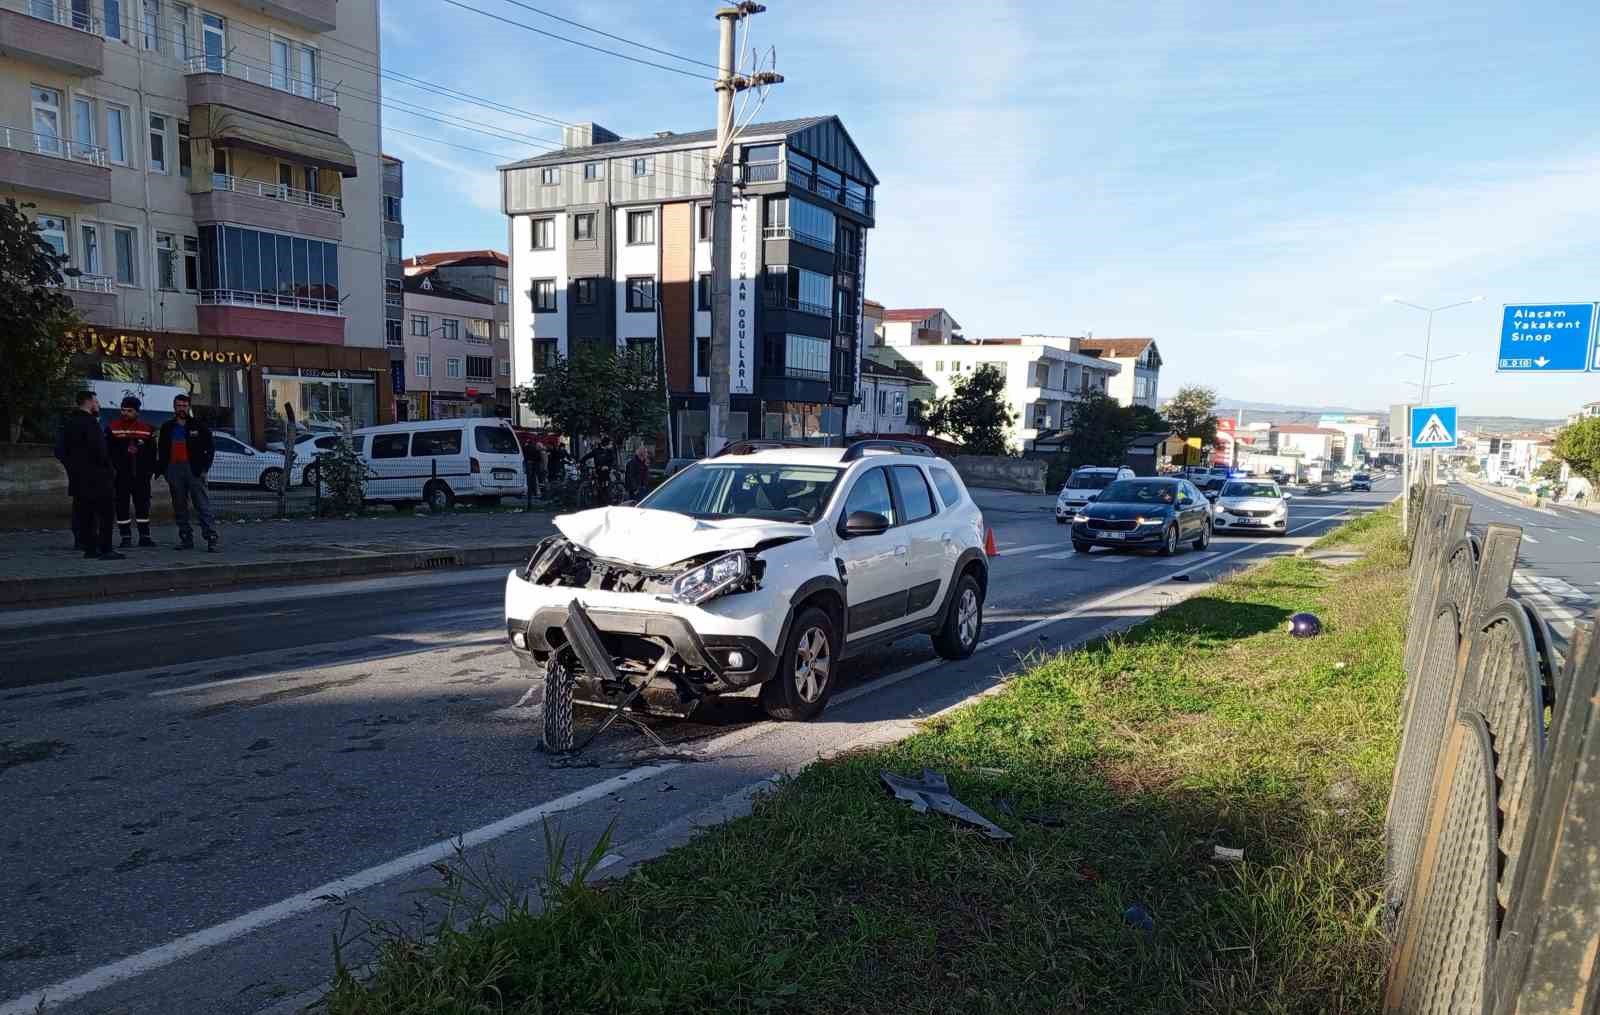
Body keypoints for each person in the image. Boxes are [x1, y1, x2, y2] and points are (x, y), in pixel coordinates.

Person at [61, 390, 122, 560]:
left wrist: (73, 468)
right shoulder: (90, 423)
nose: (98, 405)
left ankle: (90, 548)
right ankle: (106, 548)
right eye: (96, 402)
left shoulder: (70, 422)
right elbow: (99, 450)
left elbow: (62, 450)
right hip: (98, 478)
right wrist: (110, 469)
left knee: (85, 515)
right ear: (88, 402)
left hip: (79, 479)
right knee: (106, 513)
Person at [155, 393, 219, 552]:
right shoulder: (167, 427)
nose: (181, 409)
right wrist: (164, 470)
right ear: (174, 407)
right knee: (179, 506)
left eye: (184, 406)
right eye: (178, 406)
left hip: (194, 469)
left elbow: (210, 448)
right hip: (174, 470)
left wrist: (204, 468)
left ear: (189, 407)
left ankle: (211, 538)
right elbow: (162, 449)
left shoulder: (198, 425)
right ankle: (185, 538)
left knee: (202, 505)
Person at [106, 396, 158, 548]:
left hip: (141, 476)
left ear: (137, 412)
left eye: (129, 410)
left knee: (143, 505)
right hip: (120, 476)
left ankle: (145, 536)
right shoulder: (112, 428)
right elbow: (108, 452)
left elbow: (152, 453)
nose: (125, 413)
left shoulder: (147, 429)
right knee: (121, 506)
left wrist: (149, 471)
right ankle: (125, 537)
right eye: (123, 410)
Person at [580, 435, 618, 506]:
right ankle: (594, 499)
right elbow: (587, 456)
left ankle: (607, 502)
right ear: (606, 444)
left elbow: (613, 461)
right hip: (597, 470)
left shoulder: (610, 452)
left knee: (605, 487)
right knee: (595, 482)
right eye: (610, 443)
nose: (611, 445)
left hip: (606, 472)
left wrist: (608, 467)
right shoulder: (596, 451)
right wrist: (580, 462)